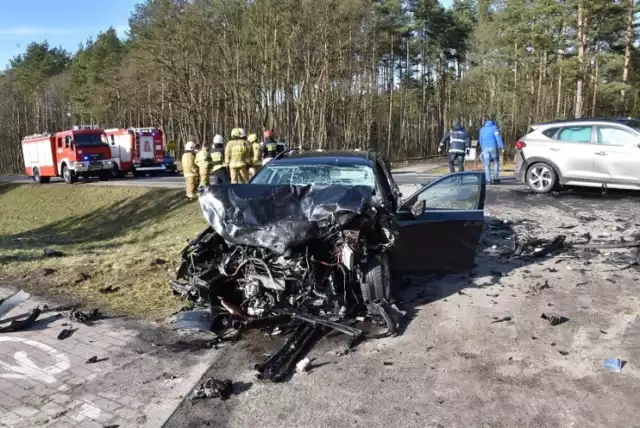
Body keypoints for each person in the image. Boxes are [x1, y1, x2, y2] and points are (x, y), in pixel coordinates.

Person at [478, 119, 505, 184]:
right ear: (492, 123)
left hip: (485, 148)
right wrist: (502, 146)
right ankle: (495, 179)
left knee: (486, 165)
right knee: (496, 162)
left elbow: (480, 140)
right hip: (493, 147)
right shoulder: (494, 128)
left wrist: (482, 148)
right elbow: (498, 138)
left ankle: (488, 180)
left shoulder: (482, 129)